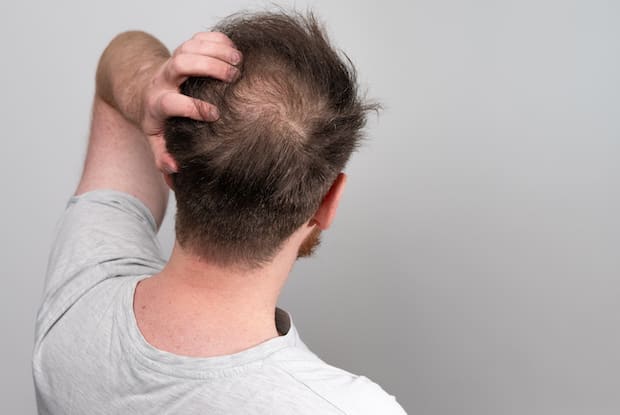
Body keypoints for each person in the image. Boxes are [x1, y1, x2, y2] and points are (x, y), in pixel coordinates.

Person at [33, 11, 407, 414]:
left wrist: (148, 88)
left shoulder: (82, 286)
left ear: (169, 163)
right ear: (328, 202)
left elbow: (120, 55)